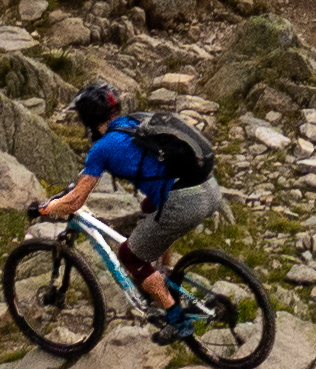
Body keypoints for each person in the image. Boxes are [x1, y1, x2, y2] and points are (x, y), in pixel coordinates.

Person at [42, 80, 222, 283]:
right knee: (149, 206)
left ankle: (169, 303)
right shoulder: (135, 121)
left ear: (87, 117)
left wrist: (43, 209)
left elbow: (76, 201)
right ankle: (165, 270)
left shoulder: (102, 147)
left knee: (129, 257)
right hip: (207, 185)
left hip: (185, 202)